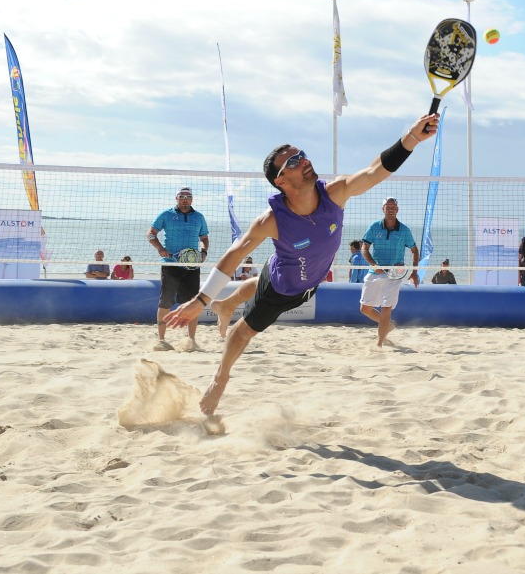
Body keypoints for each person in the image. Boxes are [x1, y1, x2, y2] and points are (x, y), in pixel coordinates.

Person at [164, 113, 438, 415]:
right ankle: (219, 379)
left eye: (302, 155)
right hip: (282, 287)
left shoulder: (335, 193)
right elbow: (235, 254)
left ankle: (227, 304)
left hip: (302, 276)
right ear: (280, 180)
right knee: (242, 332)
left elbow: (375, 171)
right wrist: (201, 299)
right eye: (293, 162)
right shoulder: (272, 220)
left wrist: (411, 138)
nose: (304, 161)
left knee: (262, 281)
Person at [147, 187, 211, 352]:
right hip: (171, 265)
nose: (185, 199)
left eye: (188, 197)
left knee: (192, 303)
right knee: (165, 302)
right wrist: (160, 248)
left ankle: (191, 341)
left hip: (191, 265)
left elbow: (204, 238)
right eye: (181, 196)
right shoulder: (166, 215)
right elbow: (151, 234)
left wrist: (204, 252)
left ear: (192, 200)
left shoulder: (198, 217)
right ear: (176, 198)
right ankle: (161, 341)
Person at [360, 197, 420, 348]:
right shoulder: (374, 227)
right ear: (383, 209)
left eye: (393, 207)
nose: (391, 209)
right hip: (375, 271)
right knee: (364, 308)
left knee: (386, 308)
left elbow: (414, 250)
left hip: (395, 273)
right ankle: (387, 325)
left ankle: (379, 344)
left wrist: (414, 272)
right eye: (388, 206)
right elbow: (364, 248)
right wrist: (374, 264)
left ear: (398, 210)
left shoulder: (405, 230)